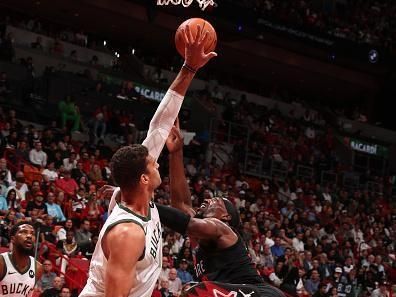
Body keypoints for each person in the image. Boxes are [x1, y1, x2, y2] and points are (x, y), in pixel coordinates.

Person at [80, 24, 217, 297]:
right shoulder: (128, 234)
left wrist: (189, 69)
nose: (157, 165)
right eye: (153, 164)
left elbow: (160, 125)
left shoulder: (138, 201)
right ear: (143, 178)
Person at [101, 122, 284, 297]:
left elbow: (188, 223)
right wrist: (176, 153)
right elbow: (180, 206)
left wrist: (134, 198)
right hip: (228, 292)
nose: (208, 200)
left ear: (226, 217)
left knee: (194, 290)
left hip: (260, 293)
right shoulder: (203, 237)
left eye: (216, 201)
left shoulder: (222, 229)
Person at [0, 222, 43, 296]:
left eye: (32, 233)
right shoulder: (2, 262)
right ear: (13, 239)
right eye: (23, 232)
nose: (29, 236)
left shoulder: (38, 268)